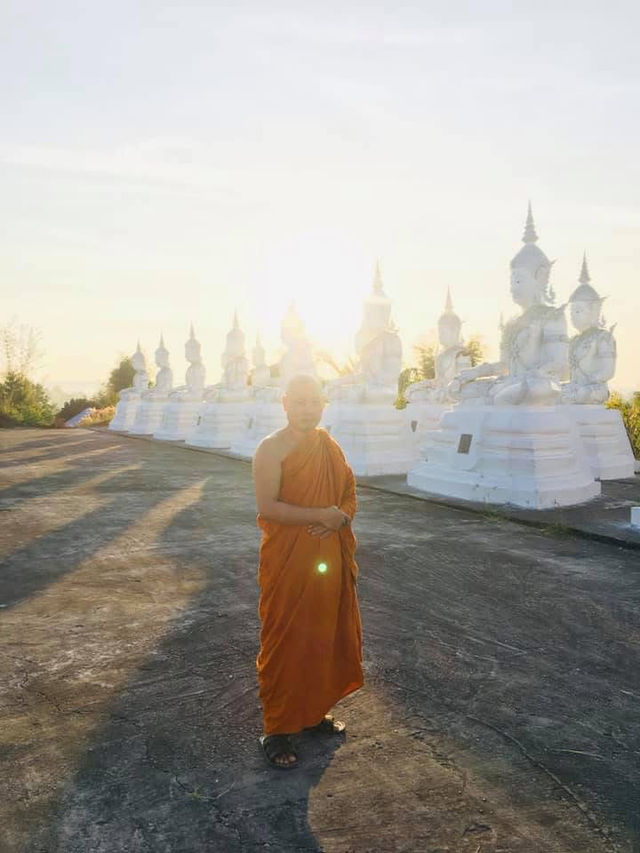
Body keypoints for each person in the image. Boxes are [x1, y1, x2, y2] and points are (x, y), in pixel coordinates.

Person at [252, 374, 364, 769]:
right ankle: (277, 727)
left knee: (322, 635)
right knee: (285, 637)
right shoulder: (271, 448)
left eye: (314, 401)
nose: (307, 409)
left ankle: (313, 712)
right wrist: (319, 515)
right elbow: (268, 506)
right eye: (299, 401)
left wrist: (340, 518)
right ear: (285, 403)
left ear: (323, 404)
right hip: (288, 561)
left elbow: (348, 494)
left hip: (328, 560)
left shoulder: (328, 446)